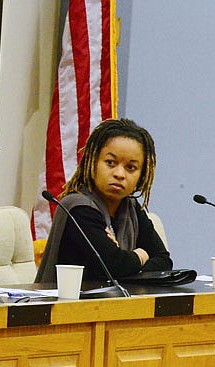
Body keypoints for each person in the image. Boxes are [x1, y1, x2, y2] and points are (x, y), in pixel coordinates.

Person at [35, 118, 172, 284]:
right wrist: (141, 255)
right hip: (72, 305)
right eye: (110, 163)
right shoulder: (78, 208)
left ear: (142, 174)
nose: (119, 174)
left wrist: (124, 259)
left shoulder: (131, 208)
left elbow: (164, 262)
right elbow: (113, 265)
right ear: (92, 161)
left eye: (131, 167)